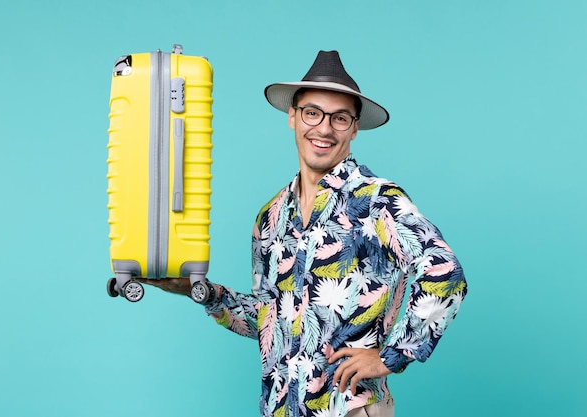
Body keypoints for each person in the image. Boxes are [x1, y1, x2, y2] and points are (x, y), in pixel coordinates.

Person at [138, 50, 467, 417]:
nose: (324, 128)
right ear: (292, 117)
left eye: (339, 118)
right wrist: (201, 292)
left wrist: (392, 356)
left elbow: (444, 271)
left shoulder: (377, 201)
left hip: (349, 410)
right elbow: (267, 320)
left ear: (355, 128)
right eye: (312, 112)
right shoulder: (271, 217)